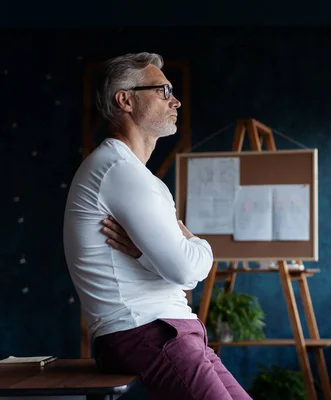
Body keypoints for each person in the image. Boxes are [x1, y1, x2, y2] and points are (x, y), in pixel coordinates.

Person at [63, 52, 251, 400]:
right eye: (163, 91)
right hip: (149, 330)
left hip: (165, 330)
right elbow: (184, 271)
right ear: (125, 100)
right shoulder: (120, 171)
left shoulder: (131, 173)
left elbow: (182, 273)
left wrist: (143, 254)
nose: (175, 100)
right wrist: (201, 246)